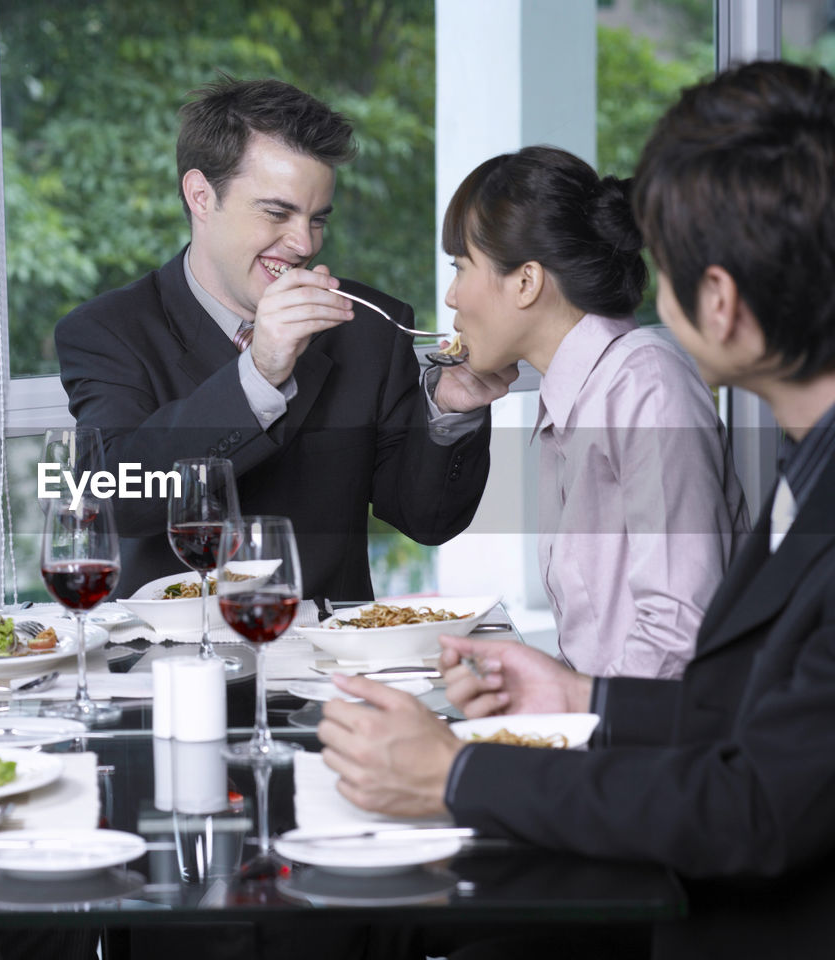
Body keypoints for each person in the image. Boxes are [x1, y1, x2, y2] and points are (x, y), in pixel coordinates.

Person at [318, 60, 835, 959]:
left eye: (460, 266)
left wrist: (466, 773)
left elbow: (748, 786)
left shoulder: (646, 384)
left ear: (719, 300)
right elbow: (745, 709)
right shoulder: (801, 461)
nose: (651, 297)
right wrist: (578, 695)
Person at [55, 77, 517, 600]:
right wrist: (258, 374)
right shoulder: (107, 331)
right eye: (277, 213)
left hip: (329, 667)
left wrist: (449, 412)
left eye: (317, 219)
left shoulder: (369, 325)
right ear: (201, 196)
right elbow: (113, 500)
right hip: (171, 667)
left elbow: (427, 521)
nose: (303, 244)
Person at [440, 145, 749, 678]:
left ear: (526, 282)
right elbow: (601, 648)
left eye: (461, 267)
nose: (450, 297)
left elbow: (679, 632)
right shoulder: (579, 393)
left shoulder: (643, 384)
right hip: (615, 727)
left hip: (655, 744)